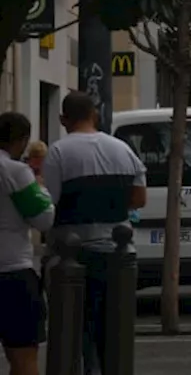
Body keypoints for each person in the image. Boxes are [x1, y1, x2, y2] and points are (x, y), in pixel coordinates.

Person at [42, 93, 146, 375]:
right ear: (95, 115)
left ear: (63, 119)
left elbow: (49, 202)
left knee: (75, 327)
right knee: (112, 328)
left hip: (74, 255)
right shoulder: (123, 150)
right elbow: (139, 198)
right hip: (118, 255)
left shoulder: (59, 152)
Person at [1, 113, 55, 375]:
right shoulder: (14, 171)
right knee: (23, 359)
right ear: (21, 140)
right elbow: (44, 218)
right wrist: (41, 188)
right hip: (12, 273)